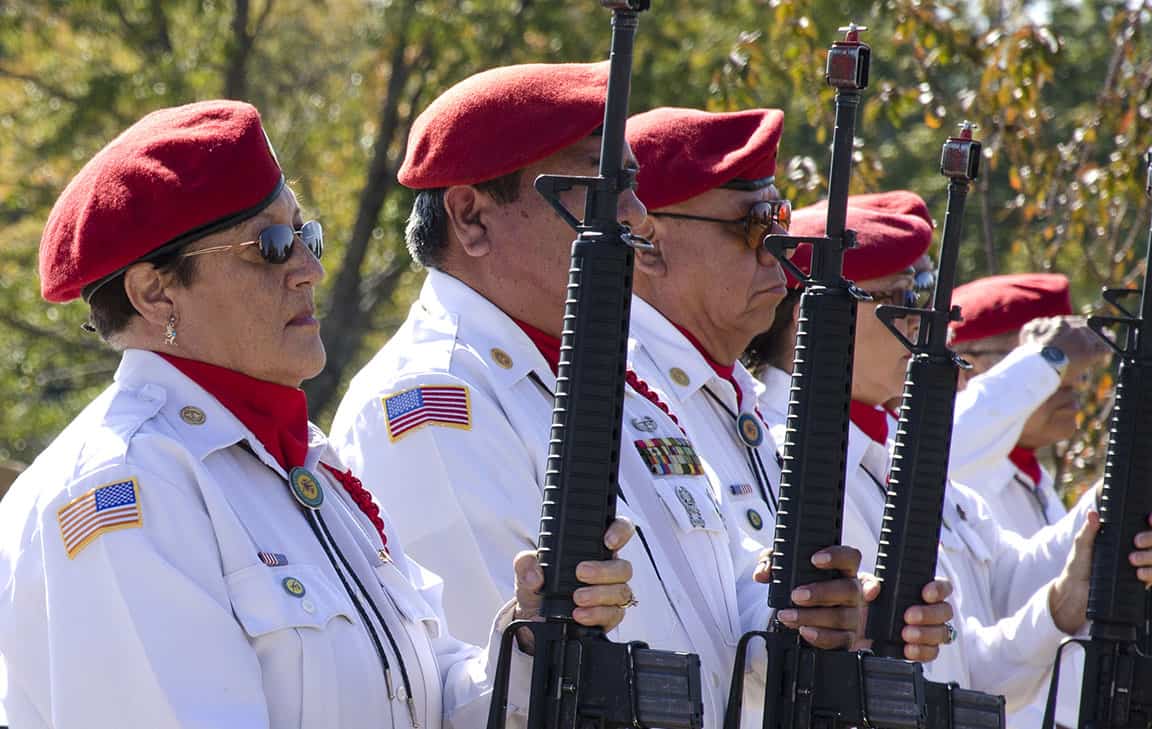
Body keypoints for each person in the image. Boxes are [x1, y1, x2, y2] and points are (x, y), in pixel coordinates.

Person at [329, 64, 951, 729]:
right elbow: (504, 687)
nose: (635, 216)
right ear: (471, 217)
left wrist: (805, 609)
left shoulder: (622, 385)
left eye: (627, 185)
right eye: (594, 187)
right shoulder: (436, 403)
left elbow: (706, 605)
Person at [0, 100, 635, 729]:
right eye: (271, 246)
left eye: (307, 235)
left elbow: (423, 695)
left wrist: (530, 636)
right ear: (154, 292)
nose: (311, 269)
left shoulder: (298, 461)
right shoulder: (124, 486)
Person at [747, 193, 1152, 729]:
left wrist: (1127, 475)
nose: (921, 318)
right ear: (813, 314)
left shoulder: (891, 453)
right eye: (899, 296)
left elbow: (973, 654)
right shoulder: (770, 450)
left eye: (925, 293)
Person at [624, 106, 956, 664]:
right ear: (650, 243)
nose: (777, 251)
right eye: (753, 226)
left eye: (779, 226)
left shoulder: (736, 403)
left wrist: (858, 618)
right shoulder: (623, 395)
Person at [946, 273, 1152, 540]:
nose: (1072, 380)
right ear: (964, 370)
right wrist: (1044, 360)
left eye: (1073, 363)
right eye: (1053, 359)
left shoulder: (1033, 479)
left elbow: (1057, 571)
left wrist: (1136, 470)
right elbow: (943, 444)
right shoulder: (958, 470)